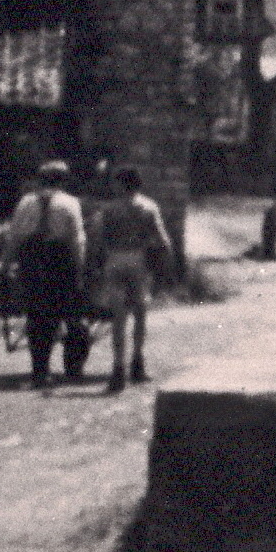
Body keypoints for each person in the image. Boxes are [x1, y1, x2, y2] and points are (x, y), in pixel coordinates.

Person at [2, 160, 89, 388]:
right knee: (72, 313)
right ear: (63, 181)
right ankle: (73, 368)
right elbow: (77, 240)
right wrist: (79, 270)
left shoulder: (25, 203)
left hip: (32, 261)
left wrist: (6, 264)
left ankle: (40, 370)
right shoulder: (70, 203)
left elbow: (14, 236)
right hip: (59, 260)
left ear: (40, 180)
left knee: (37, 315)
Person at [92, 167, 174, 393]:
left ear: (121, 185)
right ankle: (137, 362)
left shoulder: (108, 209)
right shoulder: (148, 207)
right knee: (139, 314)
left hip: (114, 259)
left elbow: (97, 239)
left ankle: (118, 368)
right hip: (139, 260)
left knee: (118, 318)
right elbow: (163, 240)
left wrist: (95, 264)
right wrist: (166, 266)